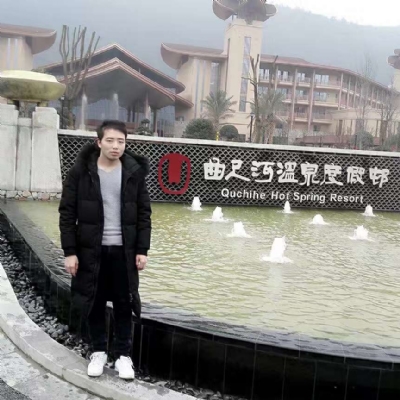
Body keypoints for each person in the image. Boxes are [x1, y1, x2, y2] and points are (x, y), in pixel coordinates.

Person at [59, 120, 151, 380]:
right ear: (98, 142)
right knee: (95, 301)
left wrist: (142, 249)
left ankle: (123, 356)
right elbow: (67, 213)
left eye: (121, 141)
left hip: (124, 251)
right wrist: (70, 252)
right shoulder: (81, 172)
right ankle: (98, 351)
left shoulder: (133, 173)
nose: (115, 146)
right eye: (110, 140)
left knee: (124, 302)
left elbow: (144, 214)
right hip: (91, 250)